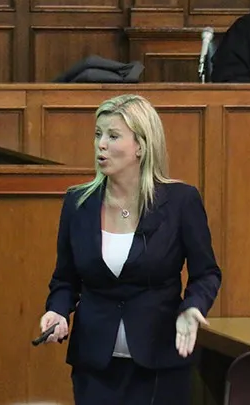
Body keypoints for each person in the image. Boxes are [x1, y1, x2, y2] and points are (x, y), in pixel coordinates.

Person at [38, 94, 222, 405]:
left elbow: (206, 273)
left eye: (112, 136)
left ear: (141, 145)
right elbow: (65, 279)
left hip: (161, 360)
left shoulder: (180, 201)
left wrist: (193, 307)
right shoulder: (78, 203)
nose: (101, 145)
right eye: (98, 134)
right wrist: (57, 310)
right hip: (95, 366)